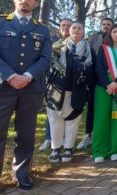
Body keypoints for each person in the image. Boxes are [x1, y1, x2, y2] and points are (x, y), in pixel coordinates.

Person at [0, 0, 52, 194]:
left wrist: (27, 76)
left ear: (36, 2)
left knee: (26, 134)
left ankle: (21, 174)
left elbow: (45, 59)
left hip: (30, 89)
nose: (25, 0)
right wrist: (11, 76)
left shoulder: (43, 30)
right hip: (0, 88)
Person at [45, 21, 96, 163]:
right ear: (69, 30)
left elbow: (93, 71)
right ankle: (56, 149)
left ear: (83, 32)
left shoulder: (89, 50)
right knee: (55, 120)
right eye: (74, 28)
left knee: (73, 120)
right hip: (57, 90)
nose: (76, 30)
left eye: (80, 28)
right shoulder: (57, 47)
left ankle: (68, 148)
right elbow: (47, 67)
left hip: (78, 91)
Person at [92, 24, 117, 163]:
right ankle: (99, 151)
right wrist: (107, 85)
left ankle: (114, 149)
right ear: (110, 33)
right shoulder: (103, 48)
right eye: (114, 32)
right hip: (104, 87)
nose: (116, 34)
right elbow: (99, 67)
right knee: (101, 119)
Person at [77, 17, 114, 150]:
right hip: (95, 79)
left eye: (108, 24)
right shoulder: (93, 39)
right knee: (92, 108)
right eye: (103, 24)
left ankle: (107, 136)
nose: (106, 26)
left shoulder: (115, 40)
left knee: (110, 109)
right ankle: (88, 135)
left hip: (113, 80)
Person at [39, 18, 73, 151]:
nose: (65, 28)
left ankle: (65, 140)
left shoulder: (75, 43)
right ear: (59, 27)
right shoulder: (51, 41)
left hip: (69, 84)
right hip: (52, 82)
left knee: (67, 112)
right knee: (52, 111)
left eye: (68, 26)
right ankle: (49, 138)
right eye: (63, 25)